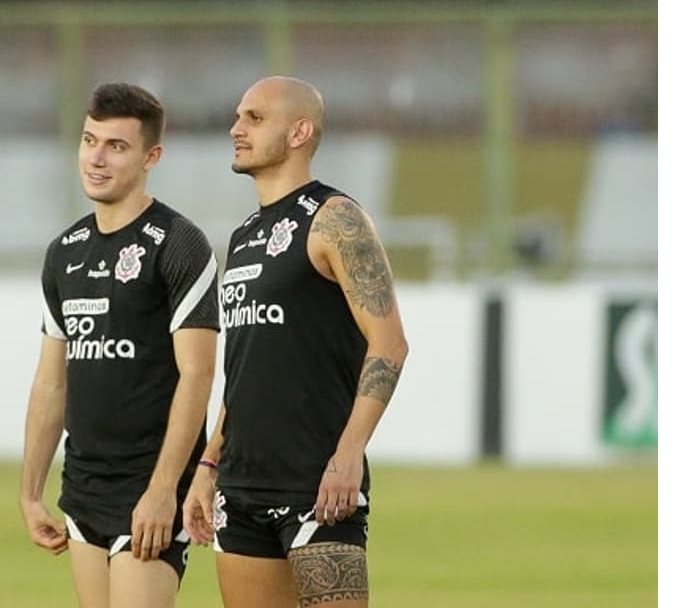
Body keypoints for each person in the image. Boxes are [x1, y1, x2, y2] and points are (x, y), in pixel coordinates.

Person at [182, 76, 410, 608]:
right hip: (239, 488)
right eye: (239, 117)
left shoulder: (335, 219)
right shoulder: (242, 236)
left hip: (317, 485)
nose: (236, 129)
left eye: (255, 118)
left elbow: (390, 342)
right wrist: (209, 464)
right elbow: (244, 372)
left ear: (299, 131)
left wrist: (349, 454)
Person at [20, 82, 221, 608]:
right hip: (84, 486)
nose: (97, 158)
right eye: (90, 141)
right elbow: (51, 380)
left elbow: (198, 375)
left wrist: (162, 491)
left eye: (116, 146)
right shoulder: (63, 252)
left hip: (150, 485)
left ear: (151, 156)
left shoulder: (179, 243)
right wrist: (30, 491)